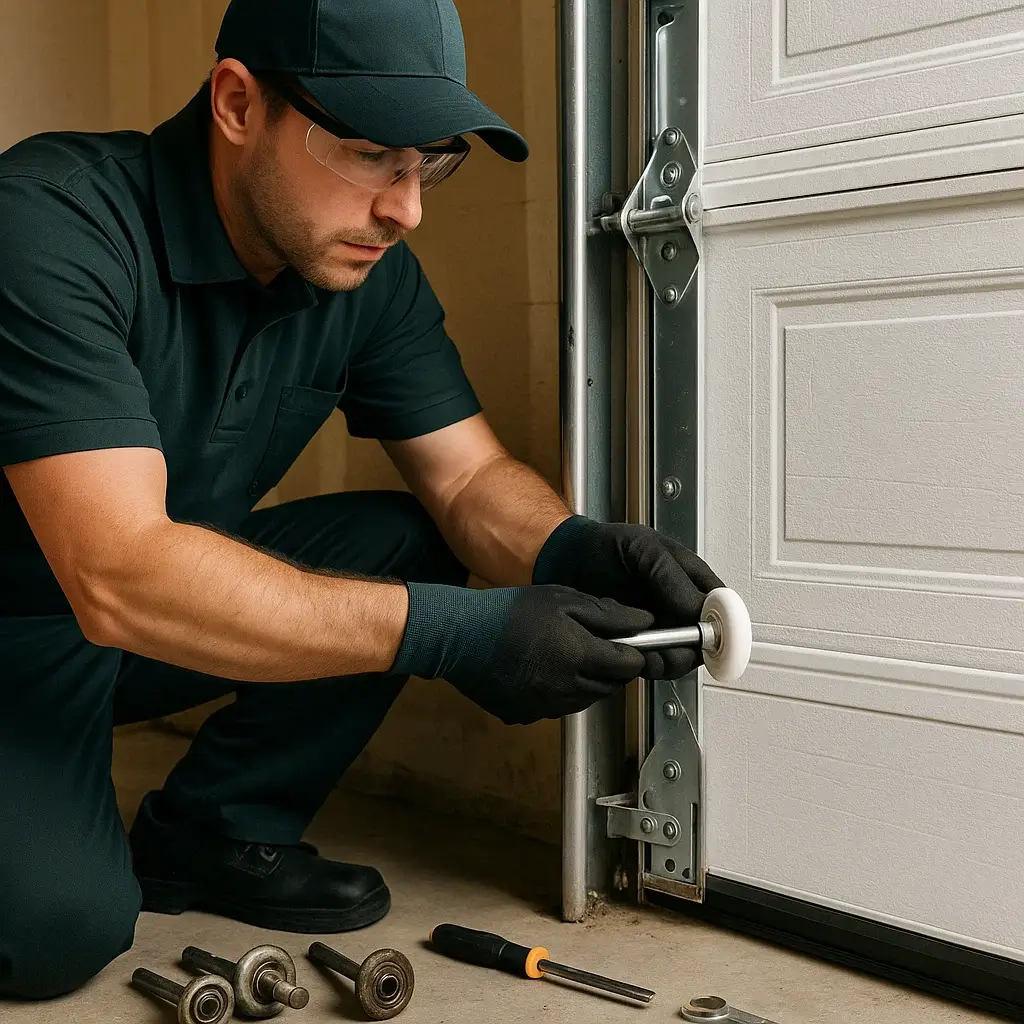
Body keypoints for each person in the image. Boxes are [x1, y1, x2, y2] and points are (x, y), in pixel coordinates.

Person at [0, 0, 725, 1001]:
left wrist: (571, 548)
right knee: (57, 928)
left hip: (131, 624)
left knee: (402, 534)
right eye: (369, 152)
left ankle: (216, 832)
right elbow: (119, 569)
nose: (406, 207)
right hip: (32, 621)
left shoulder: (363, 273)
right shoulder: (49, 223)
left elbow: (466, 480)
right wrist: (455, 633)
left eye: (429, 160)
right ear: (236, 102)